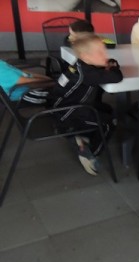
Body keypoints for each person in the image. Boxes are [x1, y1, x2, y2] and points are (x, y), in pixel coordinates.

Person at [48, 35, 123, 175]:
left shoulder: (80, 65)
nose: (105, 55)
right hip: (68, 113)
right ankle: (89, 153)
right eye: (100, 52)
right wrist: (113, 67)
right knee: (108, 123)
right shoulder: (88, 74)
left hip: (61, 108)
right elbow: (116, 77)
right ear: (85, 56)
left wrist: (109, 64)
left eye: (104, 51)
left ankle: (80, 134)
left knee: (107, 109)